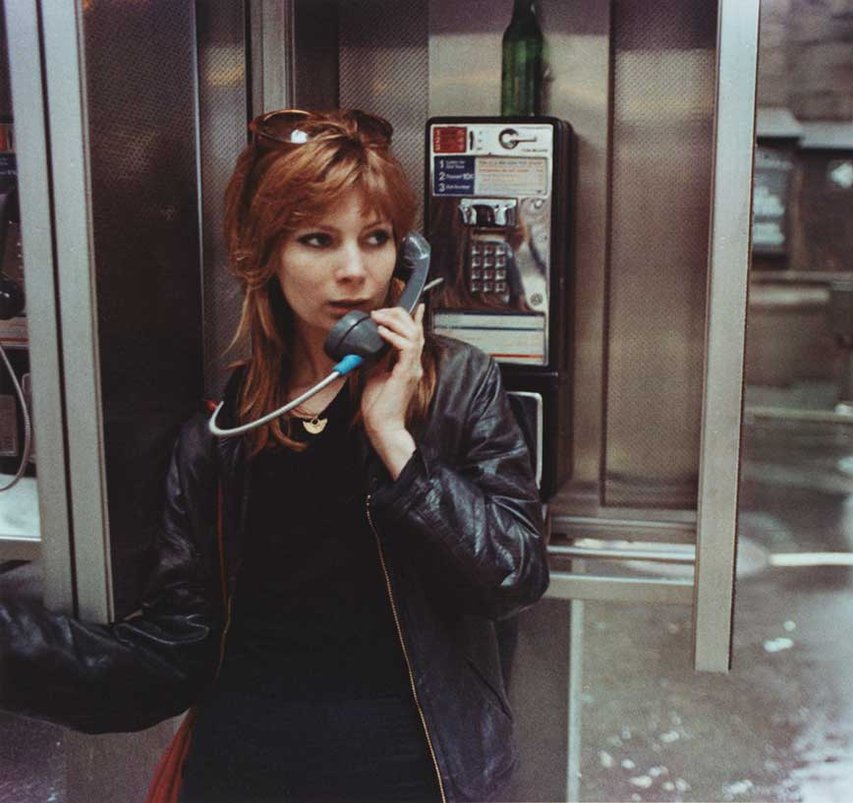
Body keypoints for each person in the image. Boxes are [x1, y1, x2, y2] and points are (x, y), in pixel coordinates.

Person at [0, 109, 549, 801]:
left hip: (407, 773)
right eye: (318, 239)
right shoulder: (222, 432)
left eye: (375, 239)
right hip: (243, 769)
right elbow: (173, 655)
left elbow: (516, 575)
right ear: (265, 254)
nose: (355, 271)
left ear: (408, 260)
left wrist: (397, 443)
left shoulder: (456, 389)